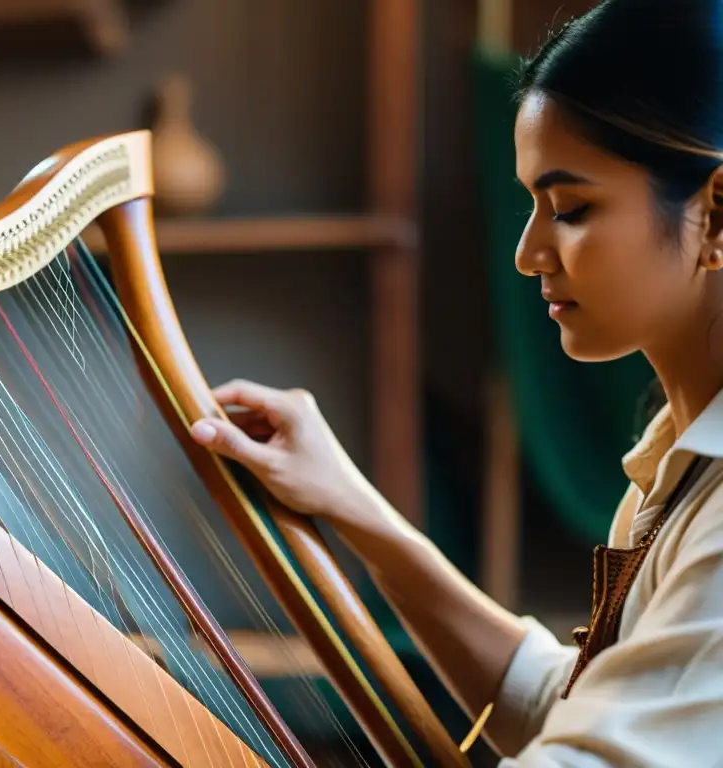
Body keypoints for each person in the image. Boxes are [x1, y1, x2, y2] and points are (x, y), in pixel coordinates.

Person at [190, 0, 723, 765]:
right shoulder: (672, 464)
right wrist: (355, 508)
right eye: (532, 205)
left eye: (570, 208)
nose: (528, 252)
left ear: (718, 215)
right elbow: (575, 708)